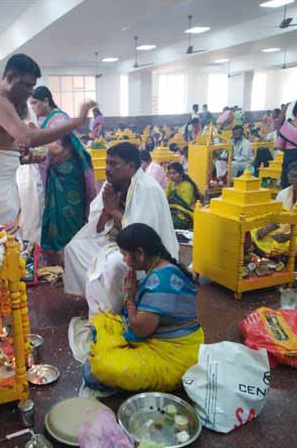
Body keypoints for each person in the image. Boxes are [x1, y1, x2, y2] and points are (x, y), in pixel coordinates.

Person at [0, 54, 94, 233]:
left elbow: (3, 147)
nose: (30, 92)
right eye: (26, 85)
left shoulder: (6, 103)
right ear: (9, 78)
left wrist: (20, 156)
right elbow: (29, 138)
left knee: (5, 235)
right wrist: (76, 121)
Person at [80, 223, 204, 396]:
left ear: (139, 253)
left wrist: (130, 298)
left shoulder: (161, 281)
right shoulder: (160, 268)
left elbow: (139, 330)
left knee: (99, 368)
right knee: (104, 320)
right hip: (158, 336)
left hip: (175, 356)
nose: (123, 259)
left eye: (124, 254)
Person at [64, 143, 178, 317]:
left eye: (113, 164)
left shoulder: (147, 188)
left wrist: (113, 211)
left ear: (131, 166)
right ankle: (96, 300)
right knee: (74, 248)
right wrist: (106, 211)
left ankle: (115, 313)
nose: (108, 169)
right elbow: (98, 227)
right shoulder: (110, 185)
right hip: (116, 241)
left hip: (144, 253)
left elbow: (141, 236)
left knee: (115, 265)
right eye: (106, 163)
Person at [27, 86, 98, 263]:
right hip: (58, 176)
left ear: (46, 101)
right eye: (31, 103)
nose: (33, 106)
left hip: (68, 180)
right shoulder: (46, 120)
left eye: (35, 102)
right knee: (57, 218)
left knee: (69, 218)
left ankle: (74, 261)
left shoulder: (58, 119)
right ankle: (61, 262)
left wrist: (34, 138)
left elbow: (57, 149)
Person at [165, 162, 201, 230]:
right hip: (173, 210)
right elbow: (166, 198)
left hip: (186, 214)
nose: (171, 175)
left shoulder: (187, 186)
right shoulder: (171, 184)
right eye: (170, 173)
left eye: (174, 173)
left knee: (169, 222)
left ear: (181, 173)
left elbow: (184, 205)